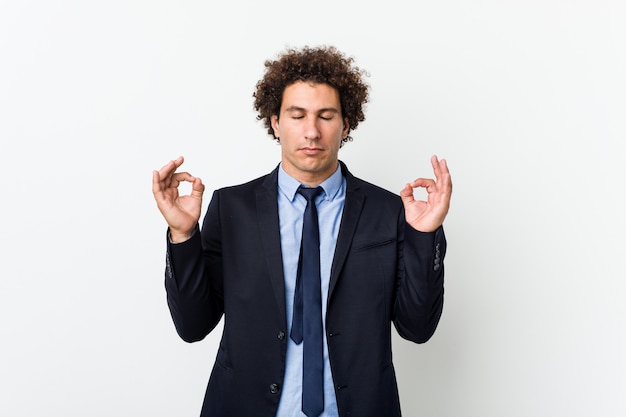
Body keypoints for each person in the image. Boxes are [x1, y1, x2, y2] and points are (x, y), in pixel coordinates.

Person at [152, 45, 452, 417]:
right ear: (276, 122)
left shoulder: (388, 211)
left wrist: (424, 235)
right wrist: (183, 236)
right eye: (297, 116)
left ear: (346, 124)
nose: (312, 131)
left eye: (326, 116)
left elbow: (418, 327)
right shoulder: (232, 208)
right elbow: (193, 326)